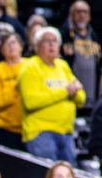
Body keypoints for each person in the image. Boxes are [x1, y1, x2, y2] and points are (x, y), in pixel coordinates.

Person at [18, 26, 85, 160]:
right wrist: (65, 92)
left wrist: (74, 92)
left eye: (54, 41)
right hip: (41, 133)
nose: (51, 44)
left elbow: (81, 98)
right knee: (47, 177)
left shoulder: (63, 66)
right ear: (37, 46)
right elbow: (30, 102)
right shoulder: (30, 68)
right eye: (46, 41)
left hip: (66, 132)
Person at [0, 31, 26, 149]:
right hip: (7, 128)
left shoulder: (32, 66)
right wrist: (14, 90)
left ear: (21, 46)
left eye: (13, 43)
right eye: (6, 44)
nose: (11, 47)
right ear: (1, 50)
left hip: (32, 127)